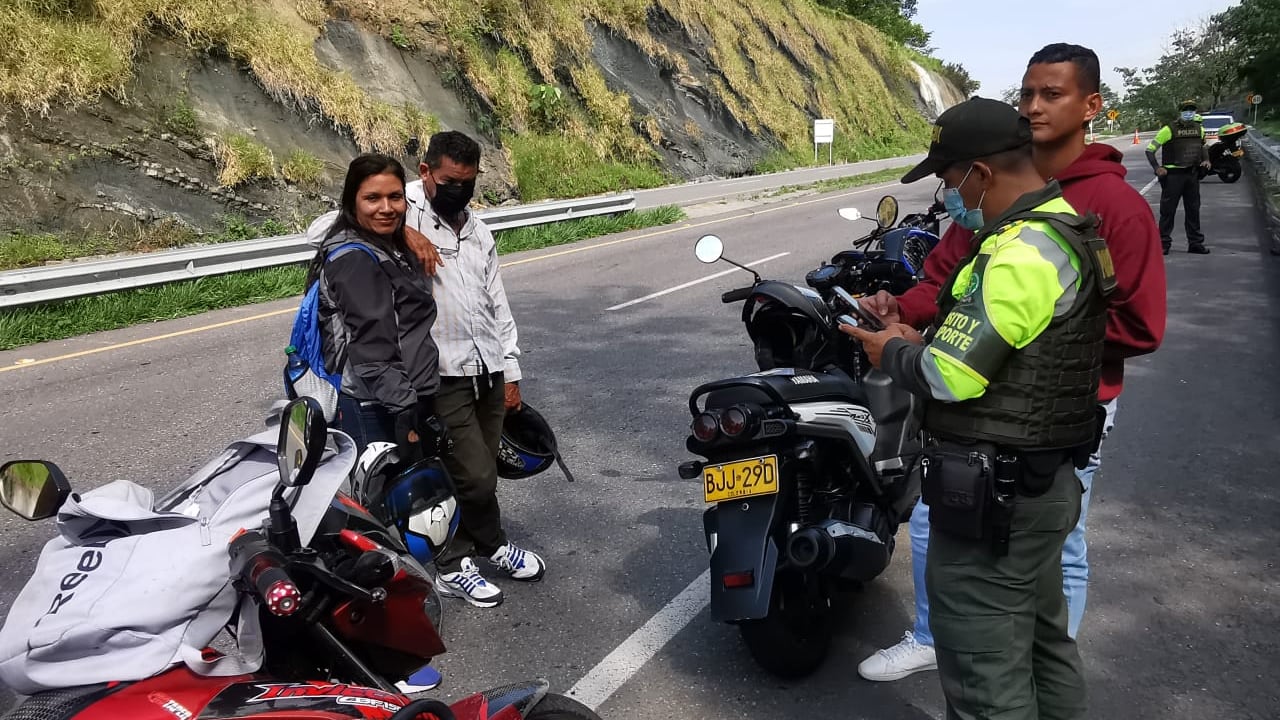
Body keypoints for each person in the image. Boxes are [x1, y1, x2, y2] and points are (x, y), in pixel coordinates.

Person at [856, 43, 1166, 683]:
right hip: (974, 407)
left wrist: (1019, 341)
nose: (1034, 107)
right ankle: (939, 637)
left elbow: (1139, 326)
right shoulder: (991, 196)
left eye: (1052, 94)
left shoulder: (1113, 206)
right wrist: (902, 309)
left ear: (1091, 105)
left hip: (1065, 408)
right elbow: (949, 282)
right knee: (937, 522)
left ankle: (1033, 665)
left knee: (1058, 547)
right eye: (1026, 94)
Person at [844, 96, 1111, 720]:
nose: (948, 196)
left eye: (949, 179)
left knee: (983, 673)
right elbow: (1017, 349)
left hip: (999, 501)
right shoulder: (1063, 225)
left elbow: (950, 376)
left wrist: (892, 352)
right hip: (1041, 481)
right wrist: (916, 335)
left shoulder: (1021, 250)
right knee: (1043, 646)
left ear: (981, 173)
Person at [309, 153, 446, 694]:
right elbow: (372, 351)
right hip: (377, 404)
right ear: (352, 201)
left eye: (395, 197)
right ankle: (382, 658)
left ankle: (395, 623)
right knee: (377, 527)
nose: (386, 207)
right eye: (372, 198)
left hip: (396, 396)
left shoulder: (380, 243)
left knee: (391, 515)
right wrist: (408, 414)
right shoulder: (354, 258)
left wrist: (404, 231)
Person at [400, 130, 545, 608]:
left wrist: (510, 369)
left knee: (482, 471)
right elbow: (324, 229)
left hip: (487, 368)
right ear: (426, 172)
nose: (460, 190)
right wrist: (402, 232)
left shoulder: (478, 230)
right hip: (442, 374)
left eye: (468, 181)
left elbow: (496, 303)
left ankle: (491, 545)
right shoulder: (401, 209)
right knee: (473, 473)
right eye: (450, 181)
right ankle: (452, 564)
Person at [1147, 99, 1212, 255]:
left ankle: (1195, 243)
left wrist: (1206, 160)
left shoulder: (1199, 129)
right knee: (1168, 212)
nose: (1189, 112)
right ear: (1181, 112)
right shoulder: (1169, 129)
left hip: (1192, 174)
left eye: (1192, 110)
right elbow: (1150, 150)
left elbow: (1203, 146)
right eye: (1186, 110)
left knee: (1193, 210)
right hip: (1173, 176)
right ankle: (1163, 244)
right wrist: (1157, 168)